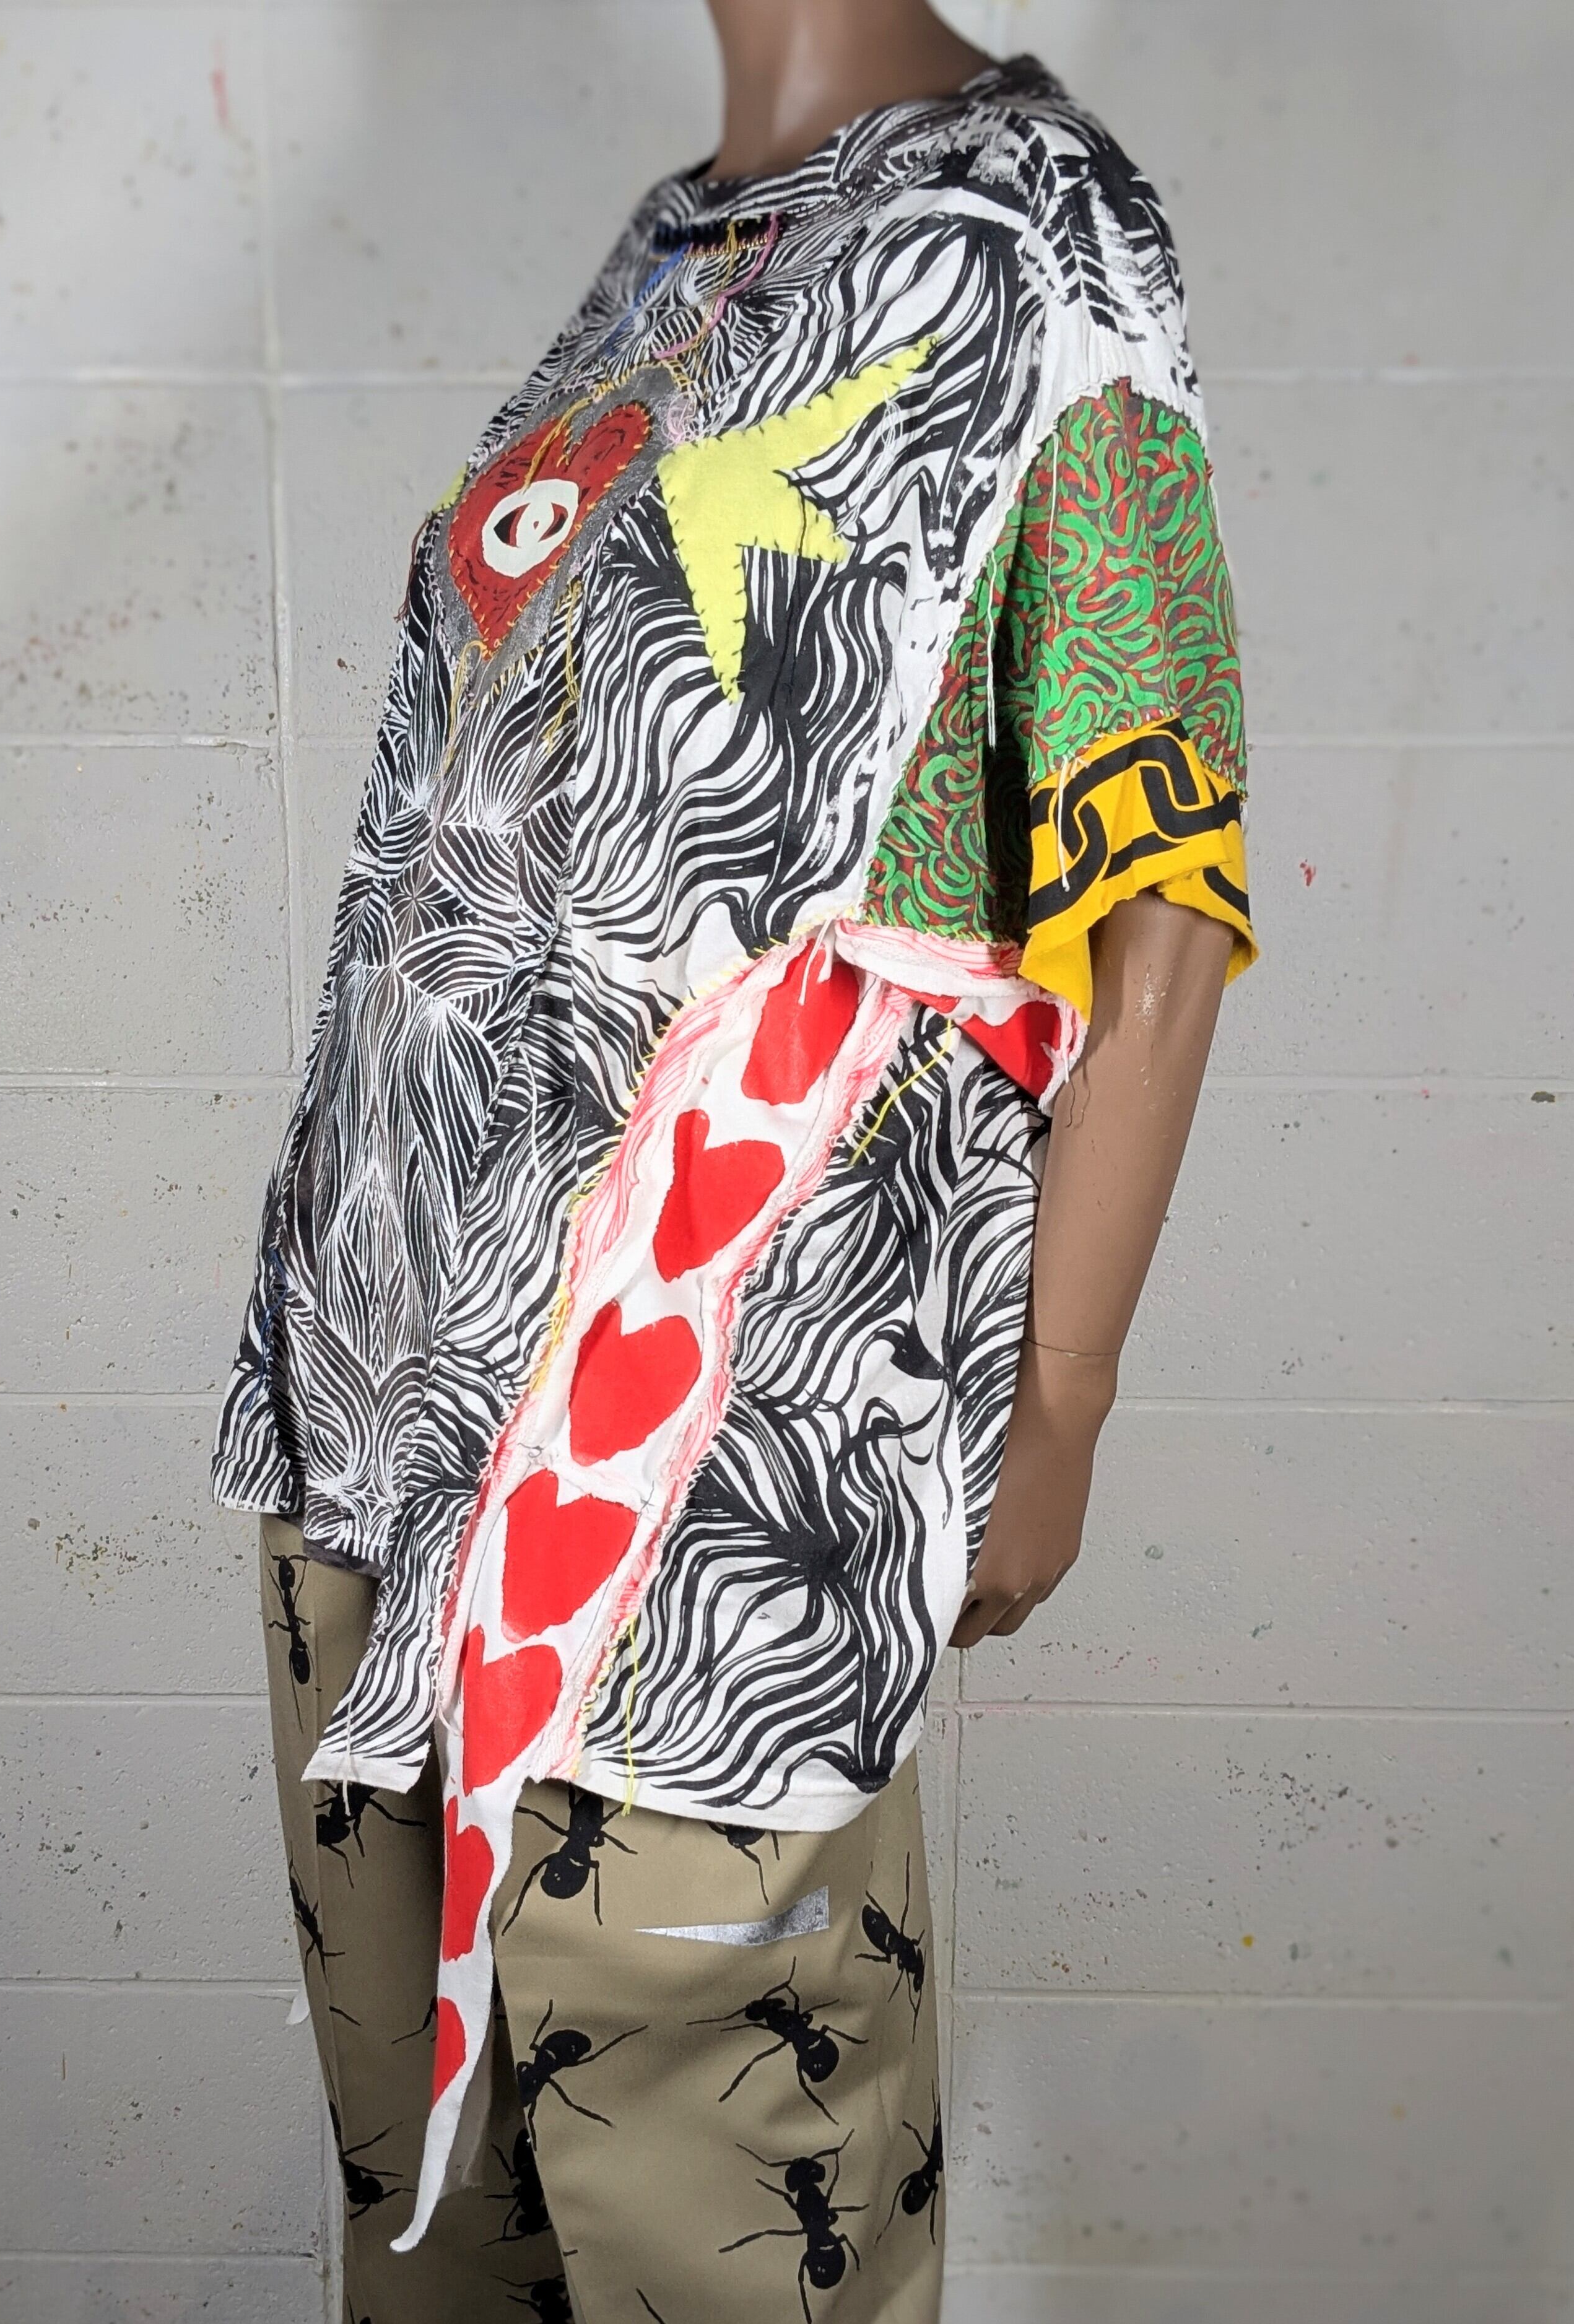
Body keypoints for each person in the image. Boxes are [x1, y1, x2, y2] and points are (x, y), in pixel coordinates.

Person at [213, 1, 1254, 2316]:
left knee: (726, 2212)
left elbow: (1161, 887)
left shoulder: (1034, 229)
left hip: (707, 1458)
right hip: (373, 1411)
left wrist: (1061, 1391)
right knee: (429, 2226)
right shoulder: (668, 249)